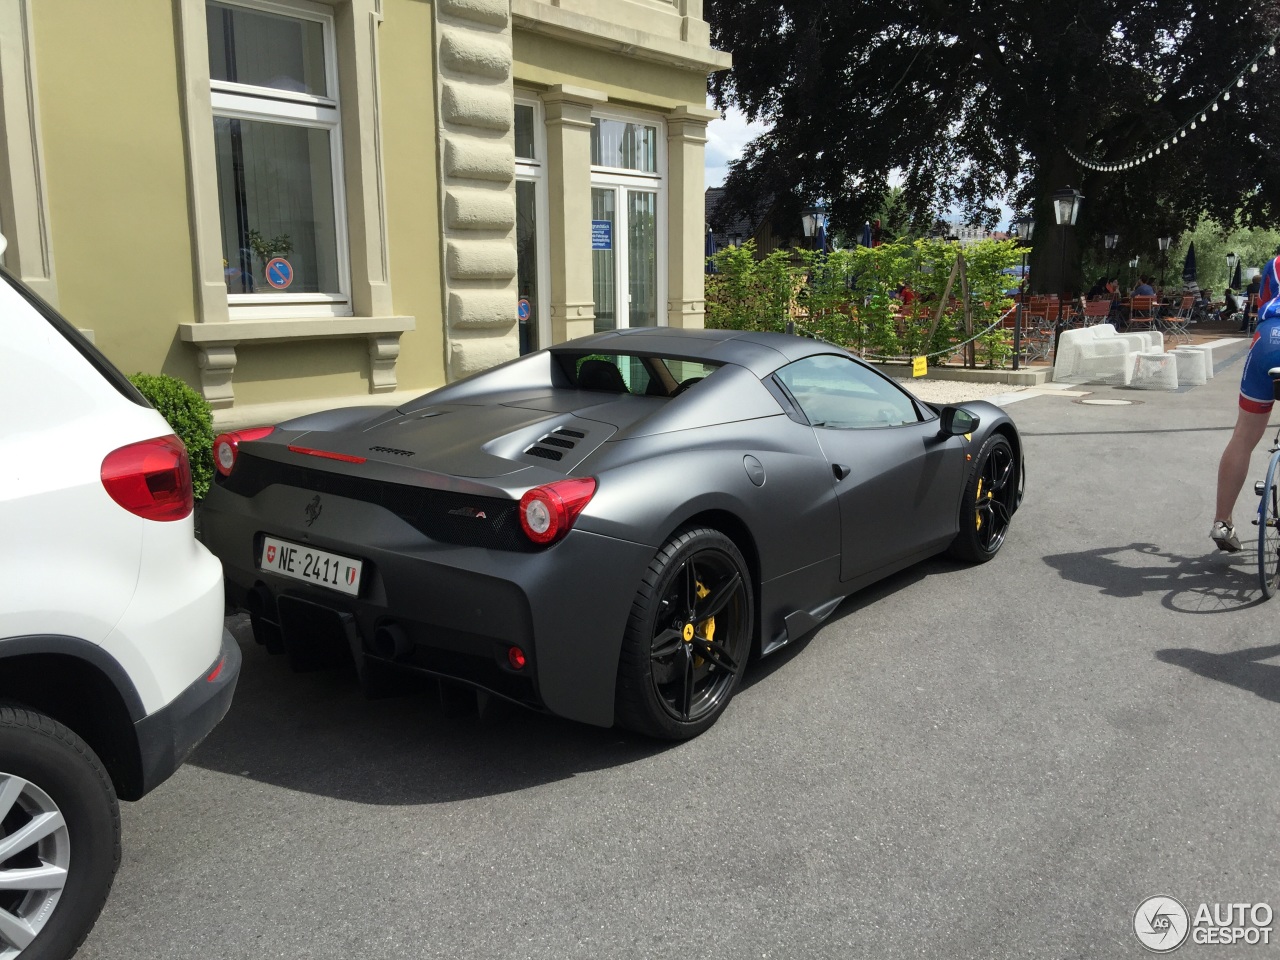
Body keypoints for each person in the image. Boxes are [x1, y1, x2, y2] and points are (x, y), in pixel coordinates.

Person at [1210, 253, 1280, 551]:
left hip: (1268, 339)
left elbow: (1262, 300)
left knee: (1243, 436)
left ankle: (1222, 522)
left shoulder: (1276, 263)